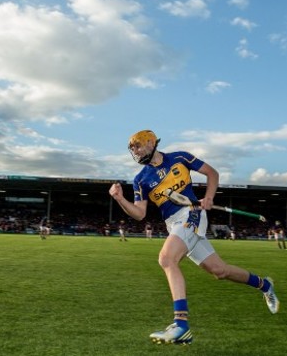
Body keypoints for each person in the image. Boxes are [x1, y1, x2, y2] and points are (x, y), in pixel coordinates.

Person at [109, 130, 278, 345]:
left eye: (138, 146)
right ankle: (265, 285)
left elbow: (212, 173)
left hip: (192, 213)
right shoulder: (140, 180)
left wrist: (209, 197)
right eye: (133, 149)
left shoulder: (179, 157)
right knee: (220, 271)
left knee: (166, 259)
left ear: (151, 143)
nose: (136, 151)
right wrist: (120, 199)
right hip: (173, 224)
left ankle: (181, 325)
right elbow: (139, 214)